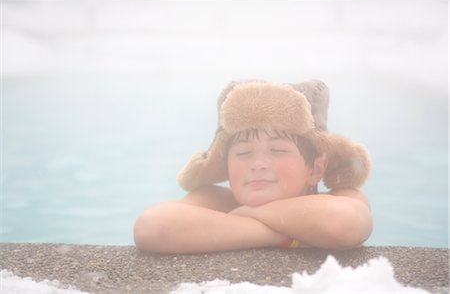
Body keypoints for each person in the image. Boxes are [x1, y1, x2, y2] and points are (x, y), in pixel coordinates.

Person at [134, 79, 373, 253]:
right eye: (243, 153)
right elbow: (151, 227)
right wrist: (274, 229)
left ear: (316, 169)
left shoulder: (342, 196)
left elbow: (344, 223)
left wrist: (248, 213)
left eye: (278, 150)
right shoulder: (219, 200)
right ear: (226, 166)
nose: (258, 165)